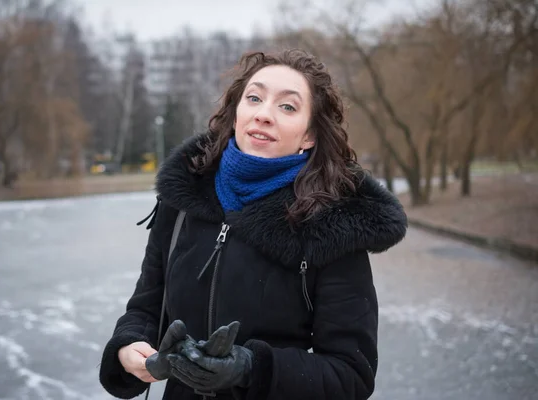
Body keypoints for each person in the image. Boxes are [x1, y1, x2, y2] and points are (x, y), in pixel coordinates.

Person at [99, 49, 407, 400]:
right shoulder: (183, 200)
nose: (263, 114)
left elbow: (351, 374)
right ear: (236, 114)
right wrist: (129, 348)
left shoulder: (331, 226)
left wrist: (250, 369)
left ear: (309, 136)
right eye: (254, 98)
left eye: (287, 107)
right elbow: (146, 308)